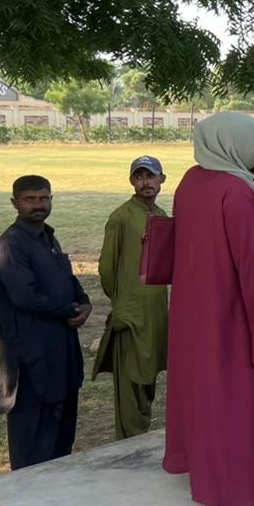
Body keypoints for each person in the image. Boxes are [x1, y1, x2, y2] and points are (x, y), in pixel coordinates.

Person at [163, 114, 254, 506]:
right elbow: (253, 266)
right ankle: (234, 483)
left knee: (206, 392)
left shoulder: (190, 182)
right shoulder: (236, 191)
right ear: (231, 142)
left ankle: (203, 468)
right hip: (232, 313)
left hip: (194, 309)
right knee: (234, 396)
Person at [0, 175, 92, 470]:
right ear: (15, 203)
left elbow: (66, 279)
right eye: (30, 199)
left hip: (60, 353)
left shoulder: (47, 237)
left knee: (61, 441)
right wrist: (68, 309)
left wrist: (84, 301)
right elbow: (25, 297)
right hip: (31, 359)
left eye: (44, 198)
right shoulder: (11, 245)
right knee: (33, 448)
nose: (38, 205)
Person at [92, 156, 169, 439]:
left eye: (151, 176)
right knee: (131, 380)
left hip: (156, 310)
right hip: (131, 312)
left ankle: (141, 434)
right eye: (139, 177)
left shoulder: (161, 214)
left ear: (162, 180)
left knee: (148, 376)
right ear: (131, 181)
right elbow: (107, 267)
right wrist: (122, 301)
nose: (145, 182)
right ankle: (129, 441)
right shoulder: (121, 217)